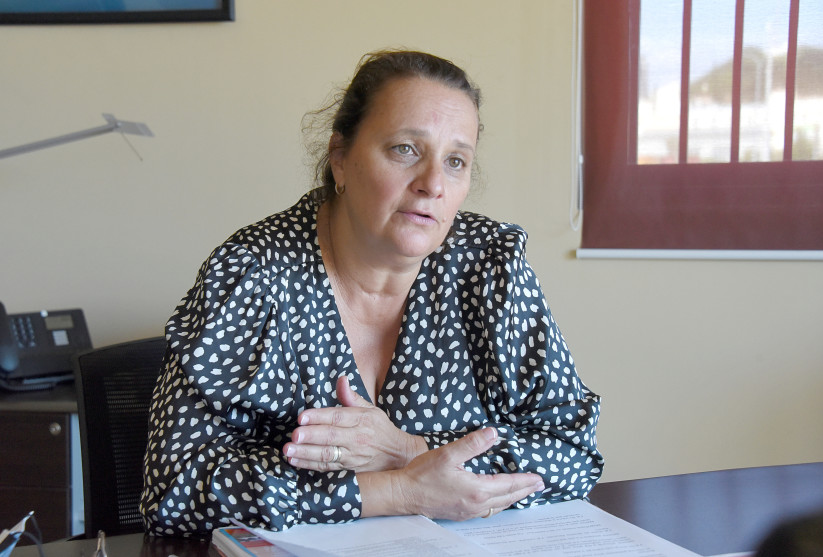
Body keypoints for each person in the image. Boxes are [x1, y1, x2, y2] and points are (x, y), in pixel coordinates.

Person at [140, 49, 604, 537]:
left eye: (455, 161)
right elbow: (174, 488)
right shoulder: (254, 272)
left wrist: (406, 450)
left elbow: (573, 450)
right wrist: (394, 491)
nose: (432, 184)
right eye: (405, 150)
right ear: (340, 158)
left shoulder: (490, 265)